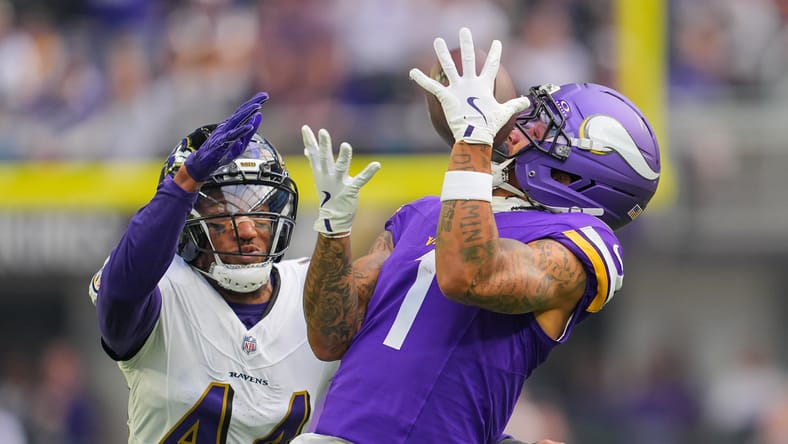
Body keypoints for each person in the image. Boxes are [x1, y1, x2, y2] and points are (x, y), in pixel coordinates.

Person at [293, 27, 661, 444]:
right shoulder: (427, 211)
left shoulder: (582, 238)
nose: (518, 124)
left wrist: (473, 140)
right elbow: (328, 336)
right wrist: (333, 230)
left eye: (541, 128)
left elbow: (469, 274)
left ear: (576, 170)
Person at [88, 92, 337, 443]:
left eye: (260, 210)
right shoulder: (164, 290)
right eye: (226, 213)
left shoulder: (310, 293)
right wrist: (183, 185)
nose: (249, 229)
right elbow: (121, 292)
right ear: (186, 222)